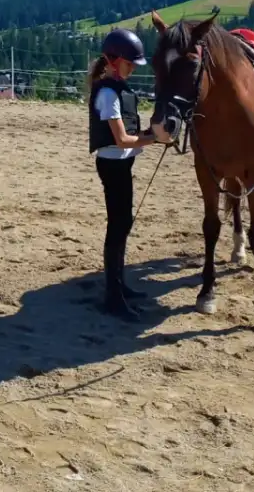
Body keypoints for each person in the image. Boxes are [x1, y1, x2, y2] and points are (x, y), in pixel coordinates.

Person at [87, 27, 160, 321]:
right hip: (113, 165)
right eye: (130, 64)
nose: (132, 69)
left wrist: (147, 135)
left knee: (123, 223)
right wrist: (155, 138)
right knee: (118, 227)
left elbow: (129, 134)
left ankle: (119, 287)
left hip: (122, 164)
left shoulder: (118, 88)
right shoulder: (107, 94)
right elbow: (121, 139)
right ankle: (113, 295)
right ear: (114, 61)